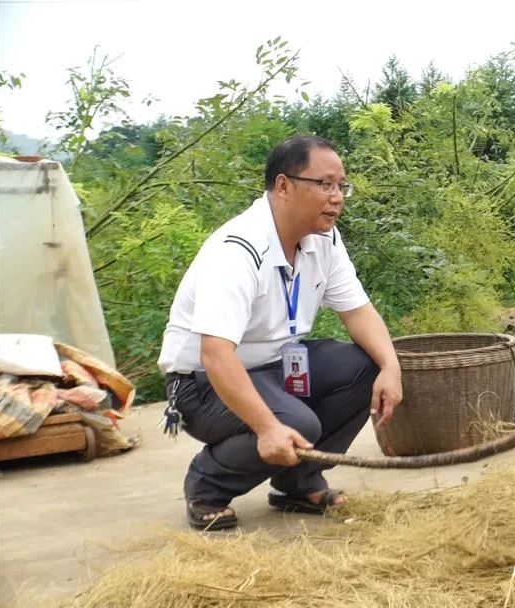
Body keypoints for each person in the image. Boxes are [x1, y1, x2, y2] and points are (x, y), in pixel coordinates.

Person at [157, 134, 403, 530]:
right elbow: (215, 355)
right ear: (284, 186)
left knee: (366, 365)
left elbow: (358, 311)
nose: (337, 196)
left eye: (342, 185)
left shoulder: (325, 240)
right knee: (296, 423)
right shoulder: (238, 249)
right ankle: (207, 484)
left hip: (275, 366)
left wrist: (391, 366)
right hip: (200, 384)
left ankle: (296, 483)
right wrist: (267, 428)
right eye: (324, 184)